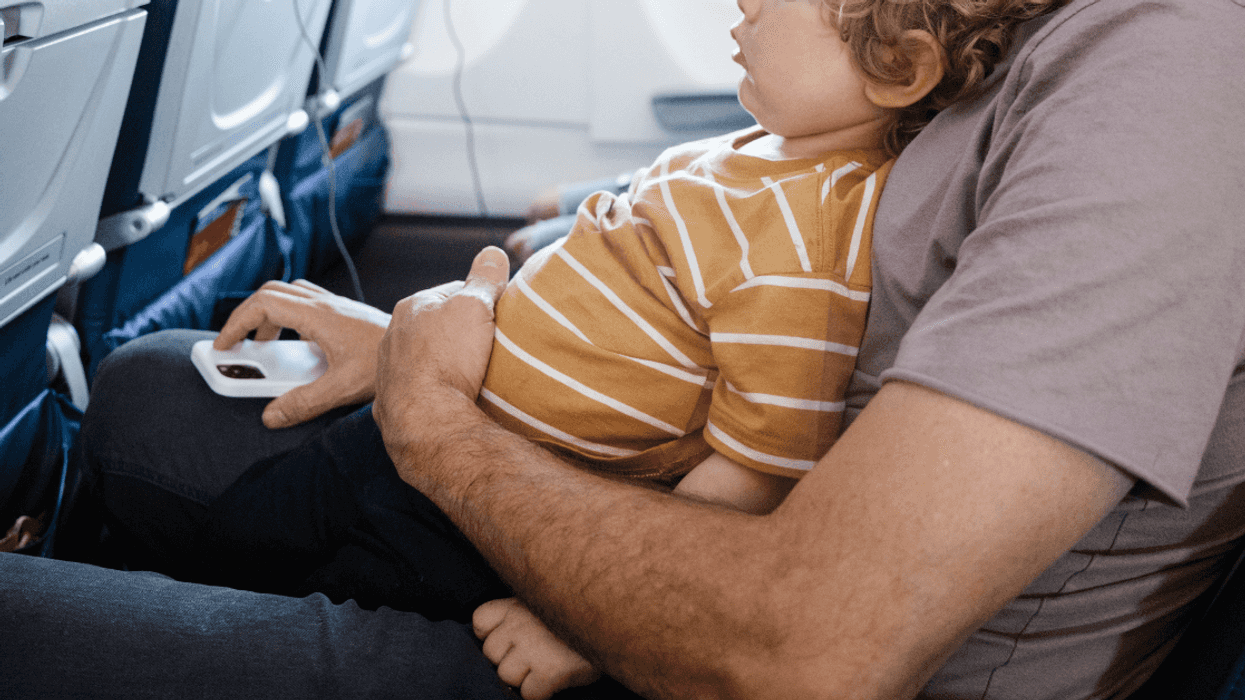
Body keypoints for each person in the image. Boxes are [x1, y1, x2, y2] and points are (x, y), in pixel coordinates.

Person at [25, 0, 1243, 698]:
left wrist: (436, 420)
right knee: (140, 391)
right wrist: (417, 335)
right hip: (619, 513)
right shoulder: (983, 40)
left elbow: (809, 646)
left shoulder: (1173, 66)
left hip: (679, 650)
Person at [186, 0, 980, 695]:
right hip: (436, 418)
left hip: (487, 511)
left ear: (900, 68)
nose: (742, 4)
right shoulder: (760, 145)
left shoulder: (807, 255)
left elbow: (756, 470)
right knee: (237, 534)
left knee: (264, 607)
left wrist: (590, 622)